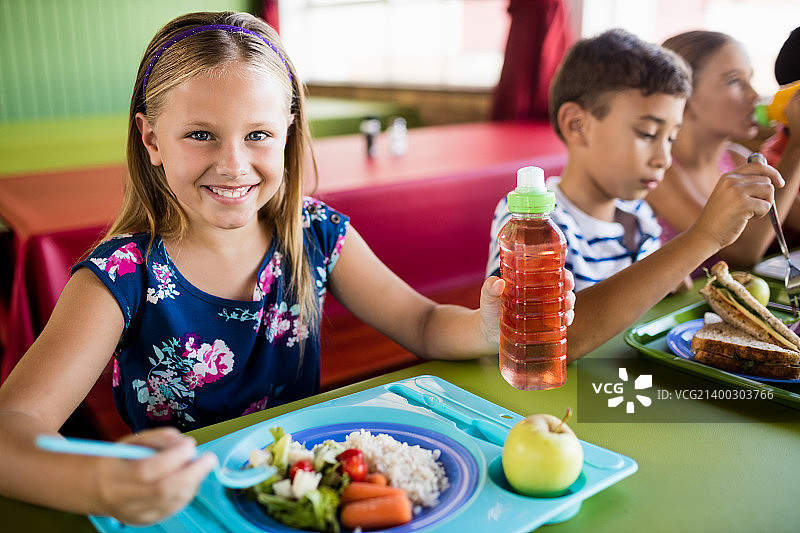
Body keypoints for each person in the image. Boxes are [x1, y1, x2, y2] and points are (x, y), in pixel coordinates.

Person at [0, 12, 576, 525]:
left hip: (306, 499)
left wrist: (482, 325)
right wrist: (99, 483)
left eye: (258, 135)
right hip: (189, 512)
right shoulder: (122, 274)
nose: (233, 164)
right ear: (151, 139)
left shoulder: (315, 232)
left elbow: (422, 322)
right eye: (200, 135)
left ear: (287, 135)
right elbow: (12, 425)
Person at [487, 28, 782, 359]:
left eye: (671, 138)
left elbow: (642, 308)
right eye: (647, 133)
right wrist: (705, 236)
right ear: (577, 124)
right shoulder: (533, 221)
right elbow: (545, 341)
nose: (664, 158)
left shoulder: (638, 217)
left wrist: (667, 280)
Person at [644, 30, 800, 268]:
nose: (754, 95)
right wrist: (796, 147)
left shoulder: (739, 159)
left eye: (751, 79)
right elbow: (743, 252)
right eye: (734, 81)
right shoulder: (659, 171)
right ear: (683, 95)